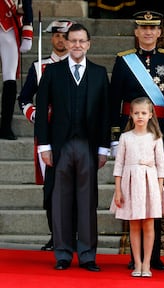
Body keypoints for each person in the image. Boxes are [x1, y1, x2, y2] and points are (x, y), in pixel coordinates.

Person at [110, 10, 164, 271]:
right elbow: (114, 101)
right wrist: (116, 136)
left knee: (154, 194)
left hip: (160, 133)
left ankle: (154, 257)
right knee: (132, 195)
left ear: (160, 32)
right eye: (143, 28)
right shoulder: (124, 61)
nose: (148, 32)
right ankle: (135, 257)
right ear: (136, 32)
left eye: (153, 29)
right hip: (132, 131)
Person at [34, 23, 111, 272]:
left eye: (82, 41)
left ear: (88, 44)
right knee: (60, 200)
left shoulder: (100, 73)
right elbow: (43, 107)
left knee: (87, 201)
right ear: (65, 43)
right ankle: (63, 253)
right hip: (60, 145)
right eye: (73, 41)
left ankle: (87, 255)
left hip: (88, 145)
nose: (77, 45)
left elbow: (105, 115)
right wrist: (43, 146)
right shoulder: (52, 72)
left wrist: (103, 148)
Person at [17, 19, 74, 251]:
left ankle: (73, 235)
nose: (60, 39)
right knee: (51, 189)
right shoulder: (39, 67)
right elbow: (24, 99)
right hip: (48, 135)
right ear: (51, 38)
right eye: (56, 35)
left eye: (65, 35)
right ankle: (56, 235)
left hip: (72, 135)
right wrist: (35, 114)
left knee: (74, 187)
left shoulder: (77, 66)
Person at [110, 97, 164, 278]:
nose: (140, 116)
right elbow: (119, 165)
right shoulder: (125, 137)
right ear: (131, 115)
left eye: (144, 113)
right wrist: (118, 190)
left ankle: (147, 264)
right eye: (136, 113)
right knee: (134, 225)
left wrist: (159, 190)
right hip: (130, 184)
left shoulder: (156, 138)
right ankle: (136, 263)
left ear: (151, 115)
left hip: (150, 184)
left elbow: (161, 166)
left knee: (149, 224)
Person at [0, 0, 33, 140]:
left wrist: (27, 34)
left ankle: (5, 126)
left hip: (10, 28)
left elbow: (26, 6)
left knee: (10, 77)